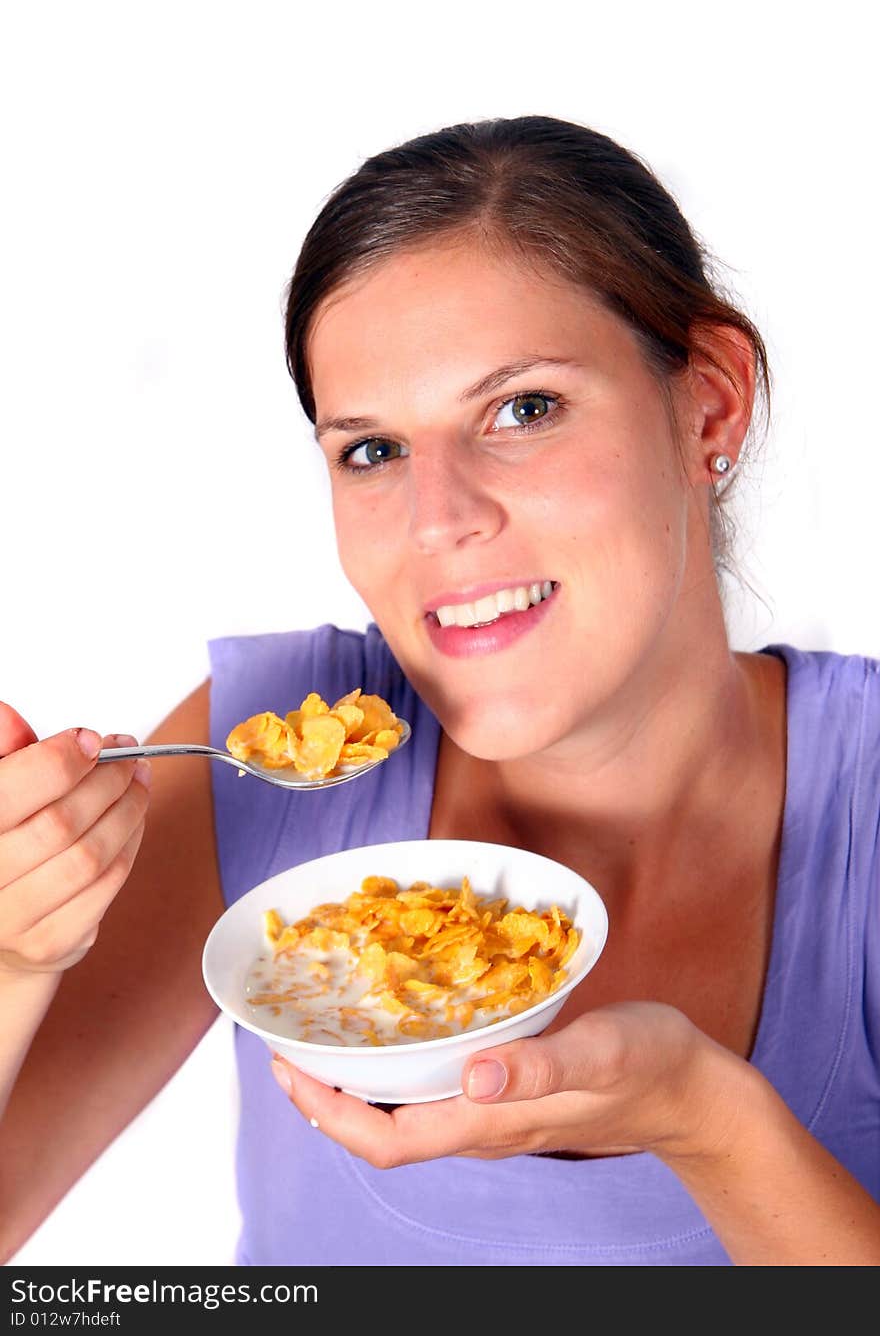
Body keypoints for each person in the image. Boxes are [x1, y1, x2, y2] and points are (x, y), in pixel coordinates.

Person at [1, 116, 878, 1268]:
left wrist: (704, 1120)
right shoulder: (258, 753)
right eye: (371, 450)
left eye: (523, 409)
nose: (437, 521)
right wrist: (14, 959)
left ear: (708, 404)